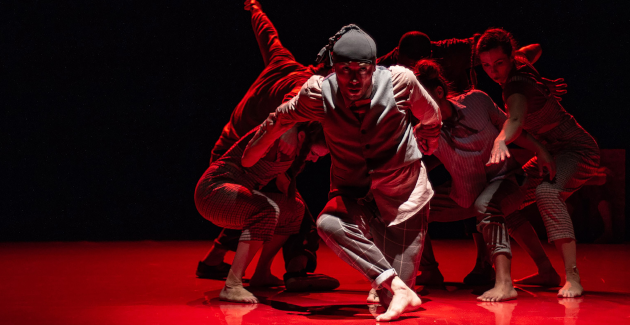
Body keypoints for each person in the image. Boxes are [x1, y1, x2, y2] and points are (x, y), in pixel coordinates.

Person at [241, 25, 441, 321]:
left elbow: (432, 114)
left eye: (362, 69)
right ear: (334, 68)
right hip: (354, 194)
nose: (354, 78)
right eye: (345, 70)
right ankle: (395, 284)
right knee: (327, 223)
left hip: (403, 199)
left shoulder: (402, 81)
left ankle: (393, 287)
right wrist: (252, 152)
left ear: (374, 66)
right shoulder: (318, 93)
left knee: (390, 302)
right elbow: (281, 117)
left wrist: (430, 134)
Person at [197, 0, 338, 292]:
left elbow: (268, 35)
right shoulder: (304, 85)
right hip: (253, 154)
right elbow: (294, 102)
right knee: (287, 212)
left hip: (227, 149)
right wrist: (292, 127)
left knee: (267, 204)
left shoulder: (281, 60)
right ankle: (295, 270)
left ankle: (214, 260)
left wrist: (255, 10)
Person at [410, 60, 555, 301]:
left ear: (438, 93)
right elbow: (412, 156)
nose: (419, 110)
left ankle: (504, 283)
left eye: (422, 102)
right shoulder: (424, 131)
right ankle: (428, 272)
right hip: (467, 191)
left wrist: (540, 149)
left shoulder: (476, 101)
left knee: (488, 206)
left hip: (507, 178)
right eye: (414, 105)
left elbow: (510, 126)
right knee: (414, 210)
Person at [479, 28, 600, 298]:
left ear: (510, 58)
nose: (494, 72)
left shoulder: (515, 87)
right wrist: (540, 79)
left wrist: (500, 140)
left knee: (547, 192)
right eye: (487, 65)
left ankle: (572, 277)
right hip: (550, 151)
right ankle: (546, 271)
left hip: (577, 148)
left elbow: (516, 121)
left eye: (499, 63)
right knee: (502, 203)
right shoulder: (521, 60)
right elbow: (536, 47)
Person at [195, 122, 329, 303]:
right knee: (266, 209)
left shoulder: (290, 152)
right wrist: (277, 134)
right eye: (313, 153)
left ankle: (262, 273)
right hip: (213, 191)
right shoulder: (276, 137)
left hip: (236, 194)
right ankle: (232, 285)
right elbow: (247, 160)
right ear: (302, 137)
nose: (314, 160)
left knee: (295, 209)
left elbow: (282, 183)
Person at [377, 31, 543, 95]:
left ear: (431, 55)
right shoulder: (380, 69)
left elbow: (509, 53)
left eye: (419, 68)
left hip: (463, 121)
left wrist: (527, 76)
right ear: (397, 56)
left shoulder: (451, 52)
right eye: (408, 67)